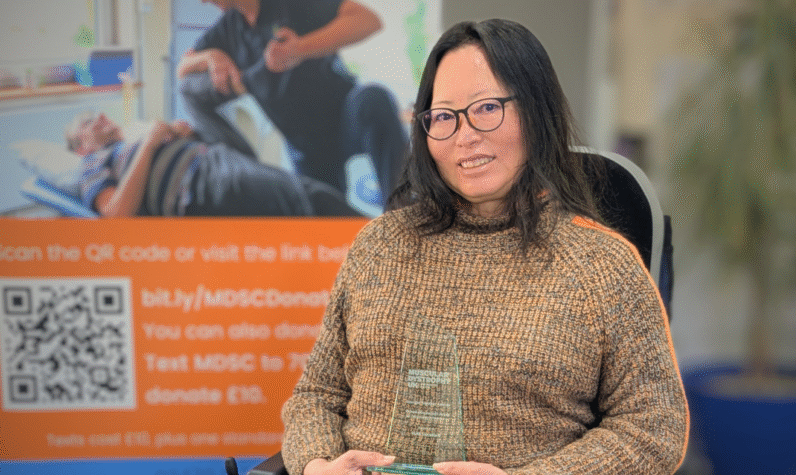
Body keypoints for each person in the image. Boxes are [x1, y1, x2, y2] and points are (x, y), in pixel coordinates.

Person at [280, 19, 689, 475]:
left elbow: (654, 427)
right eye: (443, 116)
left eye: (487, 108)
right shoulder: (379, 244)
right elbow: (317, 395)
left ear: (537, 112)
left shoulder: (601, 265)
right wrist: (315, 465)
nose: (465, 135)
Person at [176, 0, 406, 205]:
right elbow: (182, 68)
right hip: (306, 147)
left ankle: (404, 221)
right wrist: (210, 56)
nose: (204, 1)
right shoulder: (227, 29)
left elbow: (368, 20)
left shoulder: (292, 4)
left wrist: (300, 48)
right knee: (320, 225)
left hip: (346, 116)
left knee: (374, 98)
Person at [66, 112, 359, 217]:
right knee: (310, 200)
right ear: (81, 148)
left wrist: (180, 133)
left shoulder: (126, 145)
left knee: (306, 198)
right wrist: (150, 143)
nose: (102, 117)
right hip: (200, 185)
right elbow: (117, 216)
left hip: (214, 160)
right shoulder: (92, 166)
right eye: (90, 122)